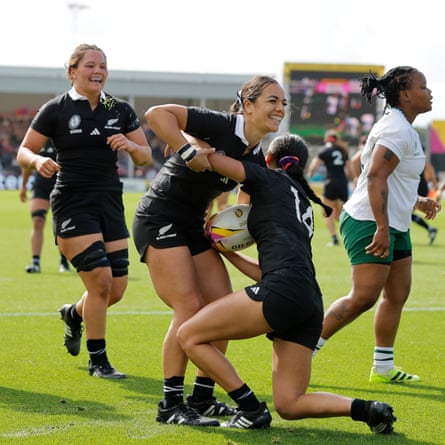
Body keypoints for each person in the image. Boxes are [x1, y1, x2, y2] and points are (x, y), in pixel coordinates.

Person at [177, 133, 396, 433]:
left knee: (189, 335)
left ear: (268, 159)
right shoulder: (302, 202)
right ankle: (368, 410)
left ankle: (251, 408)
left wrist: (188, 142)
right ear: (302, 167)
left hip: (282, 291)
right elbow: (271, 270)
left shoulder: (265, 178)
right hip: (308, 299)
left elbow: (213, 161)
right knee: (290, 404)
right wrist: (227, 254)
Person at [132, 75, 286, 426]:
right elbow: (156, 115)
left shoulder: (257, 158)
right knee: (188, 306)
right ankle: (170, 405)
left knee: (220, 308)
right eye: (272, 101)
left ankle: (202, 397)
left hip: (195, 225)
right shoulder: (220, 124)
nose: (280, 109)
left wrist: (232, 228)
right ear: (248, 105)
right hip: (160, 218)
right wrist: (187, 150)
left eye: (283, 104)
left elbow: (245, 212)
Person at [16, 43, 152, 379]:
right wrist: (37, 160)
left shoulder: (120, 109)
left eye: (103, 66)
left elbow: (145, 156)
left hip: (110, 202)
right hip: (72, 203)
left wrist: (132, 145)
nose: (99, 71)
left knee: (114, 290)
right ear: (73, 71)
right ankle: (99, 361)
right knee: (101, 282)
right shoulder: (56, 109)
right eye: (91, 65)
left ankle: (74, 315)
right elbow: (24, 151)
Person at [313, 66, 440, 384]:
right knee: (363, 296)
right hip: (370, 222)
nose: (430, 92)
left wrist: (416, 201)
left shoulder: (404, 128)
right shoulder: (397, 129)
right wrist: (382, 228)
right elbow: (374, 176)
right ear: (406, 93)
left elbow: (388, 177)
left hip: (392, 223)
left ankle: (383, 366)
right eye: (423, 87)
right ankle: (302, 349)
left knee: (397, 293)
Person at [19, 140, 70, 274]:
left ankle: (63, 261)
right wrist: (23, 186)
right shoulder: (38, 136)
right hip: (40, 185)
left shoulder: (63, 134)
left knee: (60, 225)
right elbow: (27, 164)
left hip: (60, 185)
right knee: (37, 221)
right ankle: (35, 262)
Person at [307, 129, 353, 246]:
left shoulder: (325, 151)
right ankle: (351, 236)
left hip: (330, 183)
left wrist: (310, 175)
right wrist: (352, 180)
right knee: (340, 215)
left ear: (326, 139)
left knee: (327, 213)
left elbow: (313, 166)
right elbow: (350, 170)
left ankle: (334, 239)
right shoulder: (343, 151)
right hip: (342, 184)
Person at [411, 156, 438, 244]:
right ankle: (430, 229)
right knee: (408, 214)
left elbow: (429, 168)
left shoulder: (418, 158)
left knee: (408, 214)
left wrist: (435, 184)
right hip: (419, 187)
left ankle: (430, 229)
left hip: (418, 188)